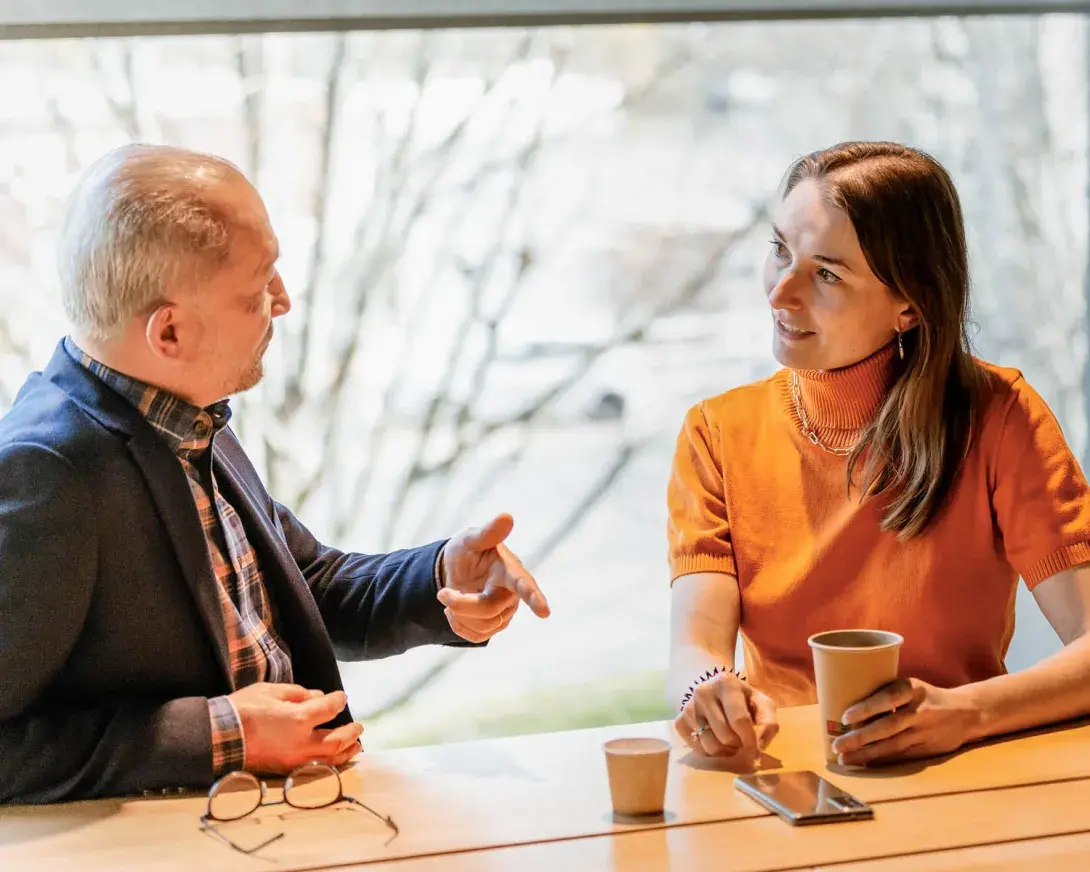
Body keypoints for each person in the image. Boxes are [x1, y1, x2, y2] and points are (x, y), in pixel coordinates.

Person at [0, 144, 551, 805]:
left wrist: (440, 579)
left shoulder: (188, 413)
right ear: (169, 333)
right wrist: (216, 735)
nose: (283, 302)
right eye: (259, 286)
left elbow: (304, 586)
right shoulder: (46, 472)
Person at [667, 141, 1090, 770]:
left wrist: (967, 712)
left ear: (910, 307)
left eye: (827, 274)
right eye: (780, 250)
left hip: (966, 769)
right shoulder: (716, 432)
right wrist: (705, 693)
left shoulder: (999, 417)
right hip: (785, 774)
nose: (781, 293)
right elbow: (695, 645)